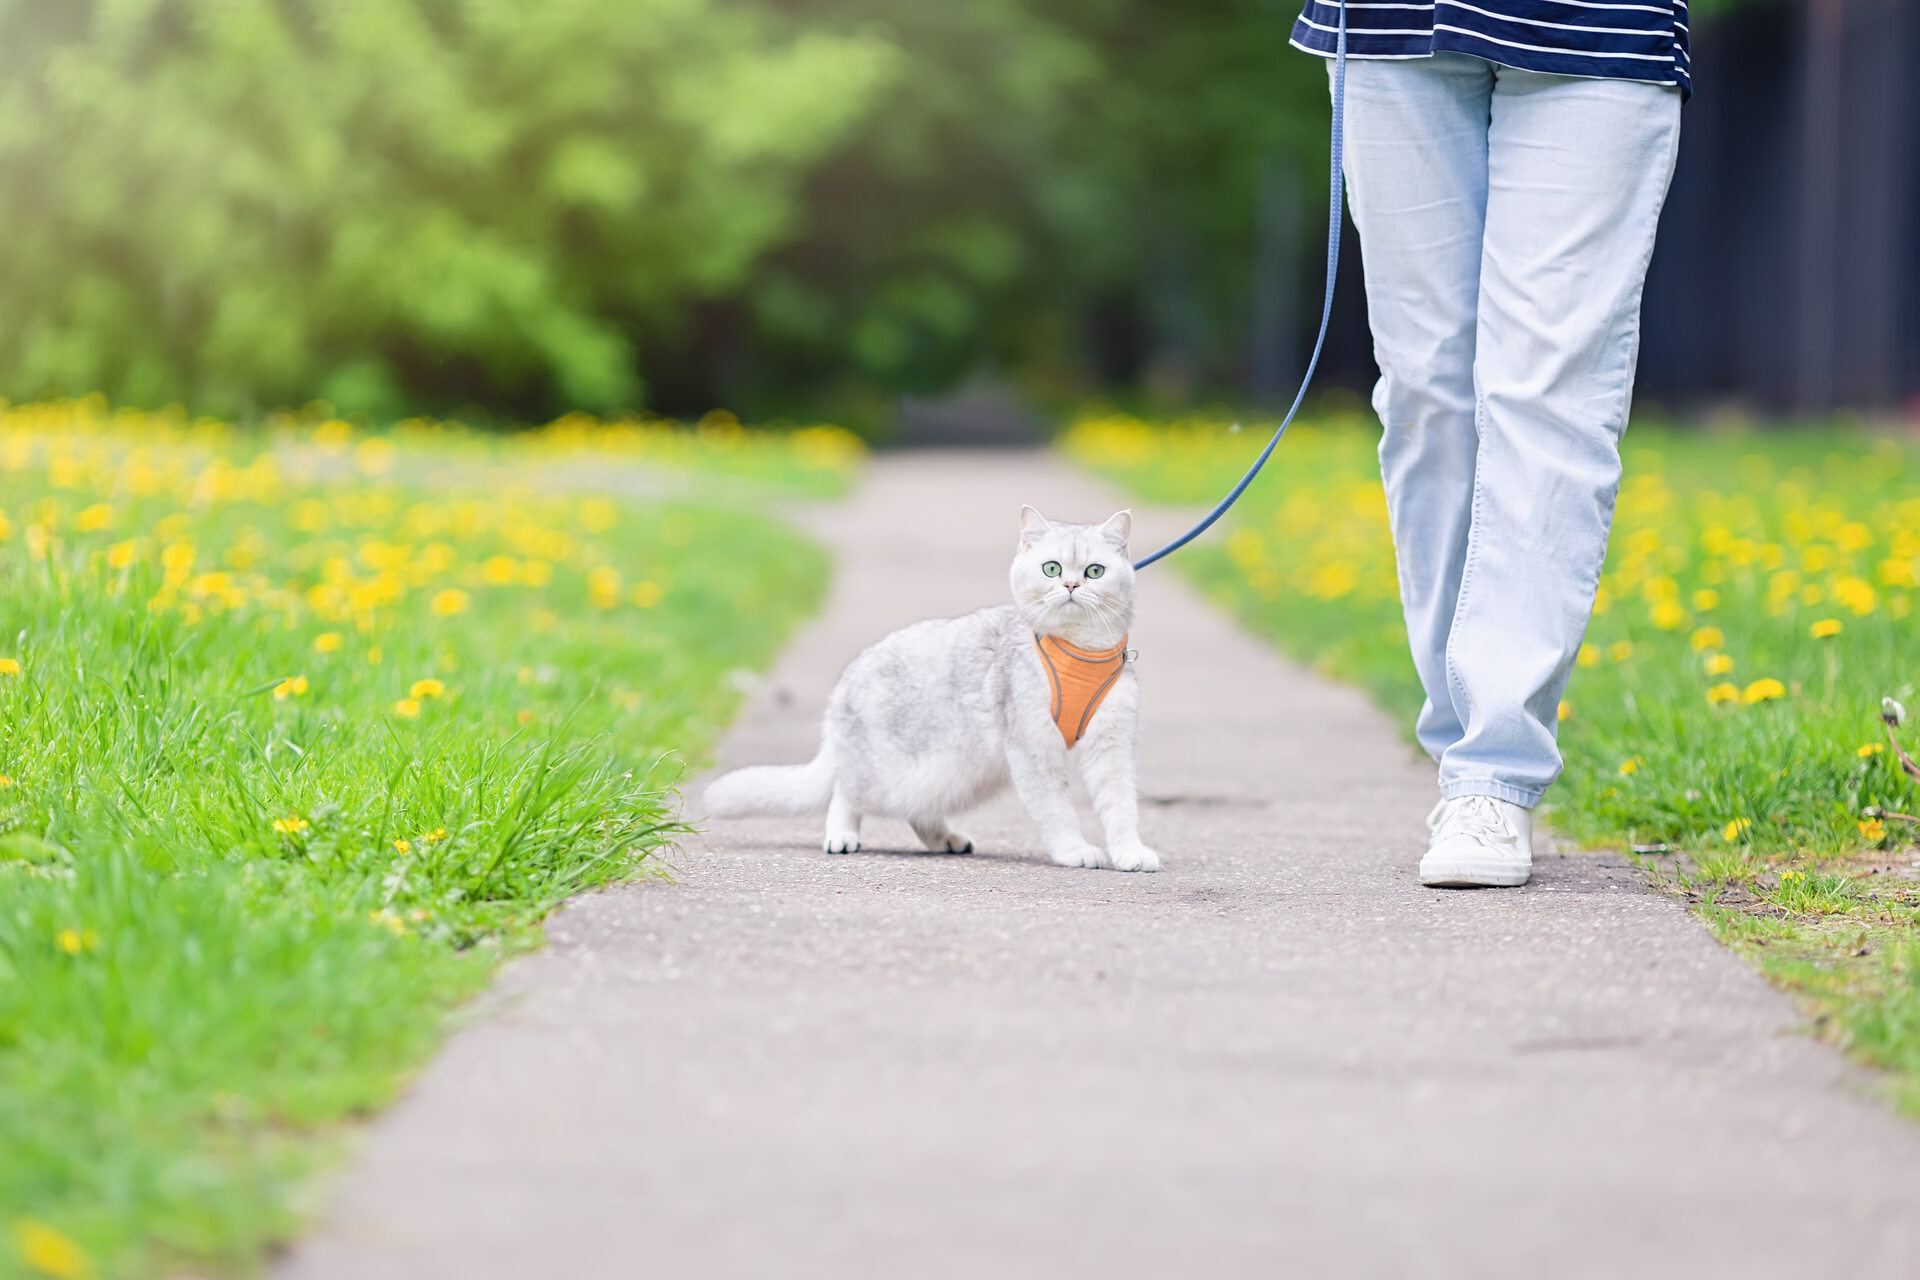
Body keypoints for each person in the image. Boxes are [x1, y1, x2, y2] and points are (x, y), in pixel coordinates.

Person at [1289, 0, 1688, 886]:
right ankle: (1461, 739)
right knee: (1429, 392)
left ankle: (1491, 772)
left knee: (1547, 393)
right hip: (1393, 25)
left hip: (1597, 29)